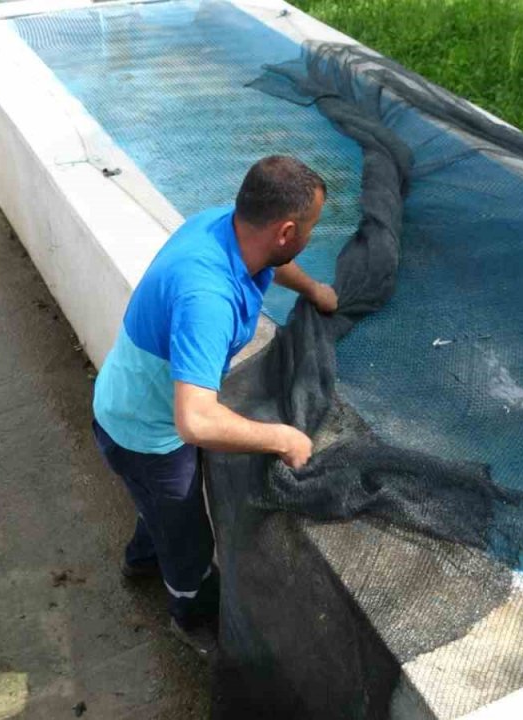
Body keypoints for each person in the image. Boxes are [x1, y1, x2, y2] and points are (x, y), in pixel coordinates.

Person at [91, 155, 338, 656]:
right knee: (188, 542)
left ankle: (140, 559)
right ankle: (189, 612)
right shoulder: (208, 297)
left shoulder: (229, 226)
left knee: (159, 510)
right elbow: (195, 420)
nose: (311, 237)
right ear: (287, 230)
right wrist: (283, 437)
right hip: (146, 434)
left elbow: (278, 260)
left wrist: (312, 288)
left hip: (129, 403)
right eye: (311, 228)